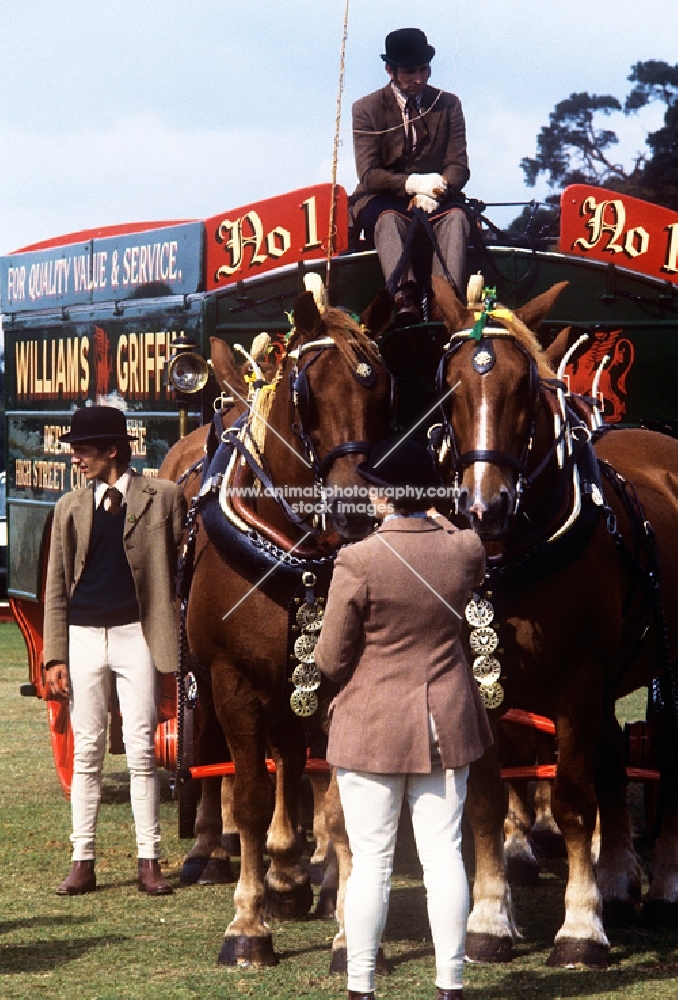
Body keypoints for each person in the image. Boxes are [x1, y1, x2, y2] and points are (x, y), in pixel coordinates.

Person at [314, 438, 492, 1000]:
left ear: (384, 494)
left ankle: (361, 986)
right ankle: (451, 985)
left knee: (371, 862)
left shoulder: (358, 558)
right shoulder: (465, 549)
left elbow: (330, 658)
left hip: (371, 724)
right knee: (444, 856)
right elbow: (458, 536)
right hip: (446, 720)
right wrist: (431, 510)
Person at [43, 405, 187, 896]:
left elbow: (178, 570)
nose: (76, 459)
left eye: (82, 450)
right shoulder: (68, 507)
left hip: (138, 636)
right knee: (87, 752)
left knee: (142, 750)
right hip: (83, 638)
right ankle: (82, 859)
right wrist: (54, 656)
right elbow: (56, 588)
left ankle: (150, 860)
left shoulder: (164, 498)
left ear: (111, 450)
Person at [350, 27, 471, 325]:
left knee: (456, 218)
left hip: (436, 197)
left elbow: (458, 165)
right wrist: (414, 185)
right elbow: (369, 175)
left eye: (423, 70)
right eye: (409, 72)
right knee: (388, 219)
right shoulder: (365, 109)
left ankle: (445, 300)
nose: (418, 79)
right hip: (383, 198)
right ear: (390, 70)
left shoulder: (449, 104)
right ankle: (405, 296)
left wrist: (438, 188)